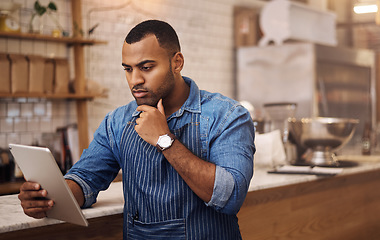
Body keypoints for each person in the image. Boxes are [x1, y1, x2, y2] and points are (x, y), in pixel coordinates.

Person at [18, 20, 255, 239]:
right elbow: (85, 179)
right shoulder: (118, 122)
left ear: (177, 62)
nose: (135, 80)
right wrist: (48, 198)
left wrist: (164, 139)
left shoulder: (227, 116)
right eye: (128, 69)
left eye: (146, 67)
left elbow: (230, 197)